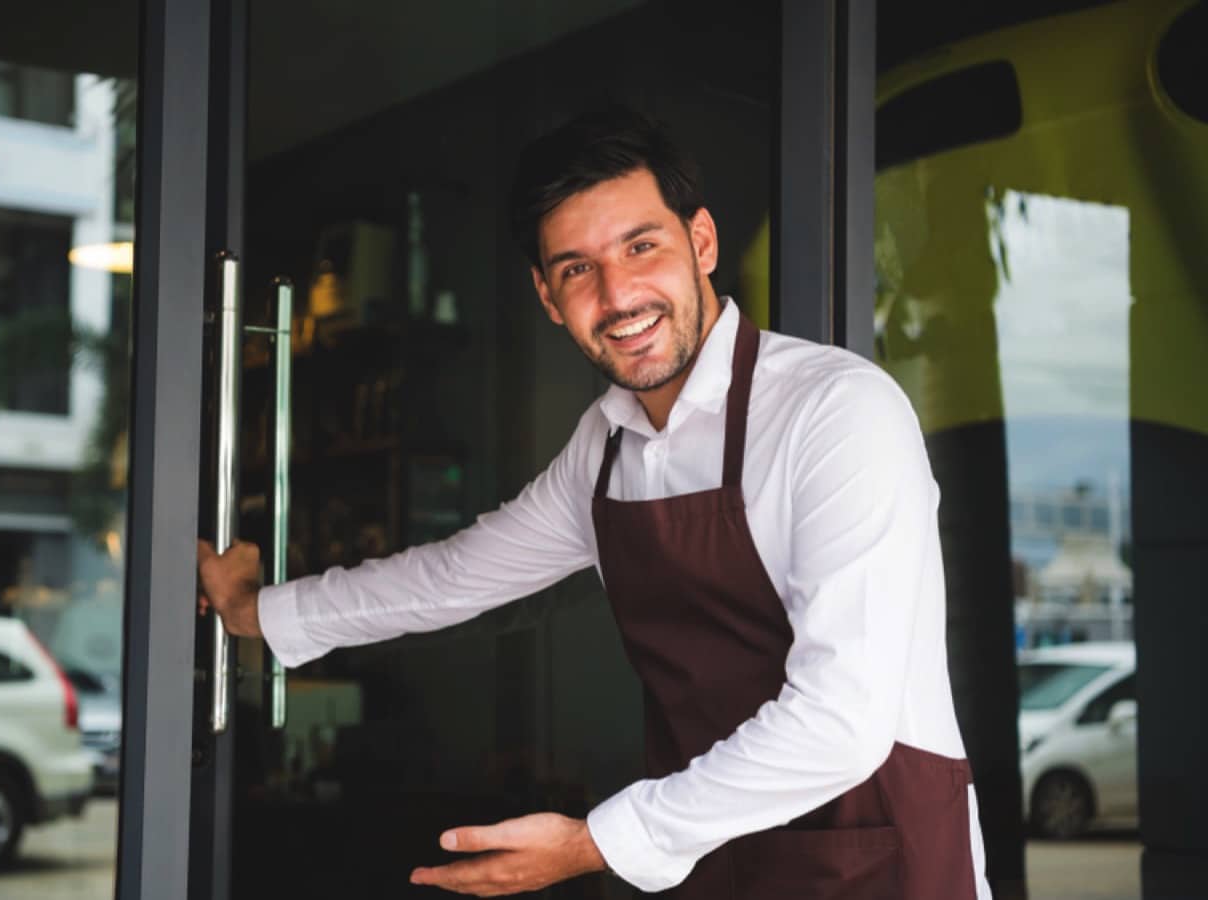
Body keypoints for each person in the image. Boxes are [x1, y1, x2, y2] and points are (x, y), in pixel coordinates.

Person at [198, 106, 991, 899]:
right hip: (713, 863)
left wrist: (592, 844)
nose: (618, 295)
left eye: (641, 246)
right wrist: (259, 613)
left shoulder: (837, 411)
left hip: (879, 858)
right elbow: (450, 578)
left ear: (702, 244)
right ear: (547, 296)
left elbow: (841, 725)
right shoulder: (605, 448)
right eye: (578, 269)